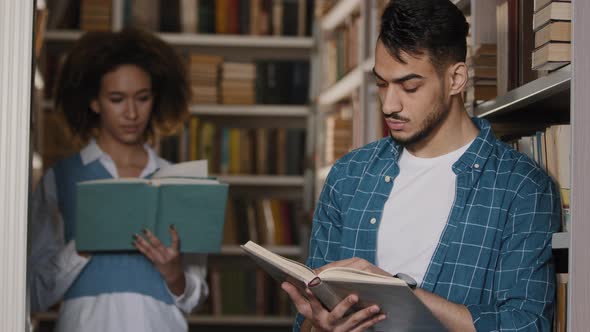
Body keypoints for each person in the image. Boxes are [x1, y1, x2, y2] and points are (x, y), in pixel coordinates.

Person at [283, 1, 561, 331]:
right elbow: (307, 320)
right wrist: (319, 325)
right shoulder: (348, 176)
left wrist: (397, 293)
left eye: (409, 86)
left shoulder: (522, 186)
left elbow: (527, 325)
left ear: (456, 78)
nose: (389, 105)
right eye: (382, 84)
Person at [28, 28, 207, 332]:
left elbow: (195, 298)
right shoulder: (59, 180)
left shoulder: (180, 182)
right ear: (94, 102)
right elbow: (32, 294)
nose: (132, 113)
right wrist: (82, 247)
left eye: (142, 98)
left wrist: (174, 273)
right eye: (116, 99)